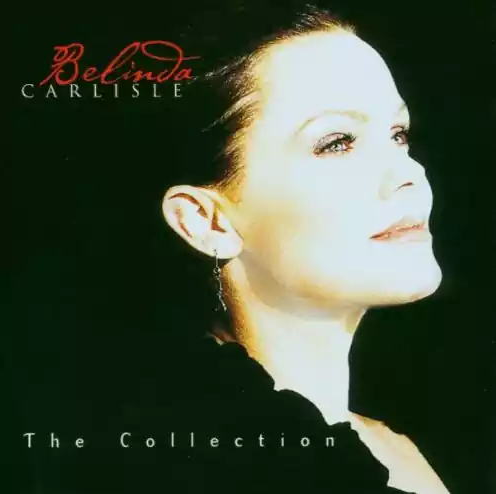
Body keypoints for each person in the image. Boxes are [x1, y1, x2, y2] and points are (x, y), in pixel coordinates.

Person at [157, 2, 451, 493]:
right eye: (337, 142)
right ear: (206, 221)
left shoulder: (397, 450)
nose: (410, 173)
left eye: (398, 134)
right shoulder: (199, 466)